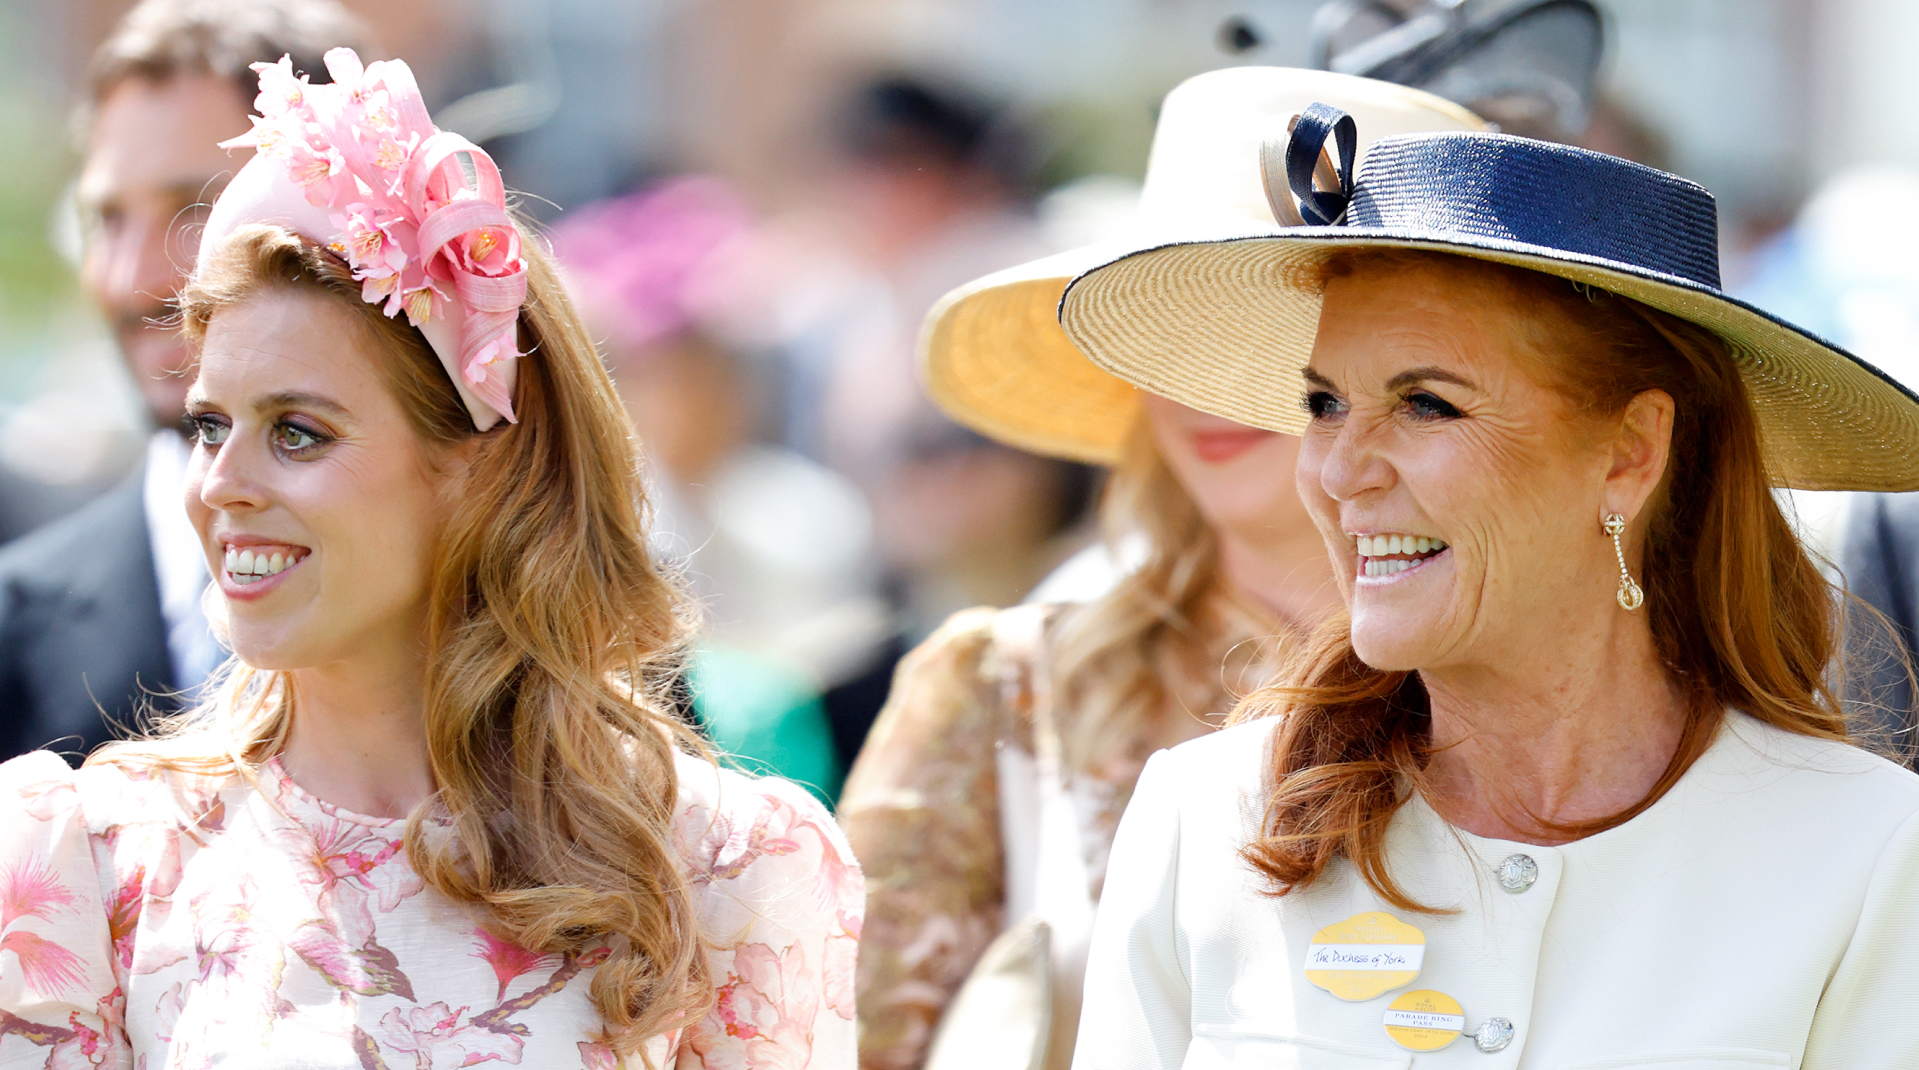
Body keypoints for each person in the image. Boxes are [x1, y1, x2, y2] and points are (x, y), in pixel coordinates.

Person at [0, 50, 859, 1068]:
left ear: (474, 466)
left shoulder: (729, 860)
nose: (220, 483)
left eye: (298, 432)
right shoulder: (92, 853)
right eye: (208, 424)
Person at [1054, 95, 1919, 1067]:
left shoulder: (1869, 856)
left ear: (1629, 452)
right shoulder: (1203, 818)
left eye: (1425, 403)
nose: (1340, 471)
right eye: (1324, 403)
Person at [838, 68, 1486, 1070]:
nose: (1202, 385)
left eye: (1276, 334)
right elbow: (850, 1041)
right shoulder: (1007, 690)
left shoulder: (1543, 700)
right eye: (1167, 330)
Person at [0, 0, 370, 763]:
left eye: (194, 211)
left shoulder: (534, 620)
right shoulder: (11, 632)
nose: (130, 280)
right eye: (107, 220)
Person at [552, 177, 888, 802]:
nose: (705, 398)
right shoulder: (595, 519)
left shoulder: (809, 510)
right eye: (667, 374)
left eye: (724, 371)